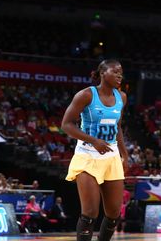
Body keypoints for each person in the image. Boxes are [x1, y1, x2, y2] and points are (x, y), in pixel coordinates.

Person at [62, 59, 128, 241]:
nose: (120, 75)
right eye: (115, 72)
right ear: (102, 73)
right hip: (87, 155)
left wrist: (124, 154)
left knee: (114, 214)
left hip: (112, 156)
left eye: (121, 72)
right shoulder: (86, 95)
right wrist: (93, 141)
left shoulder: (122, 97)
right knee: (90, 213)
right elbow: (66, 125)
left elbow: (118, 126)